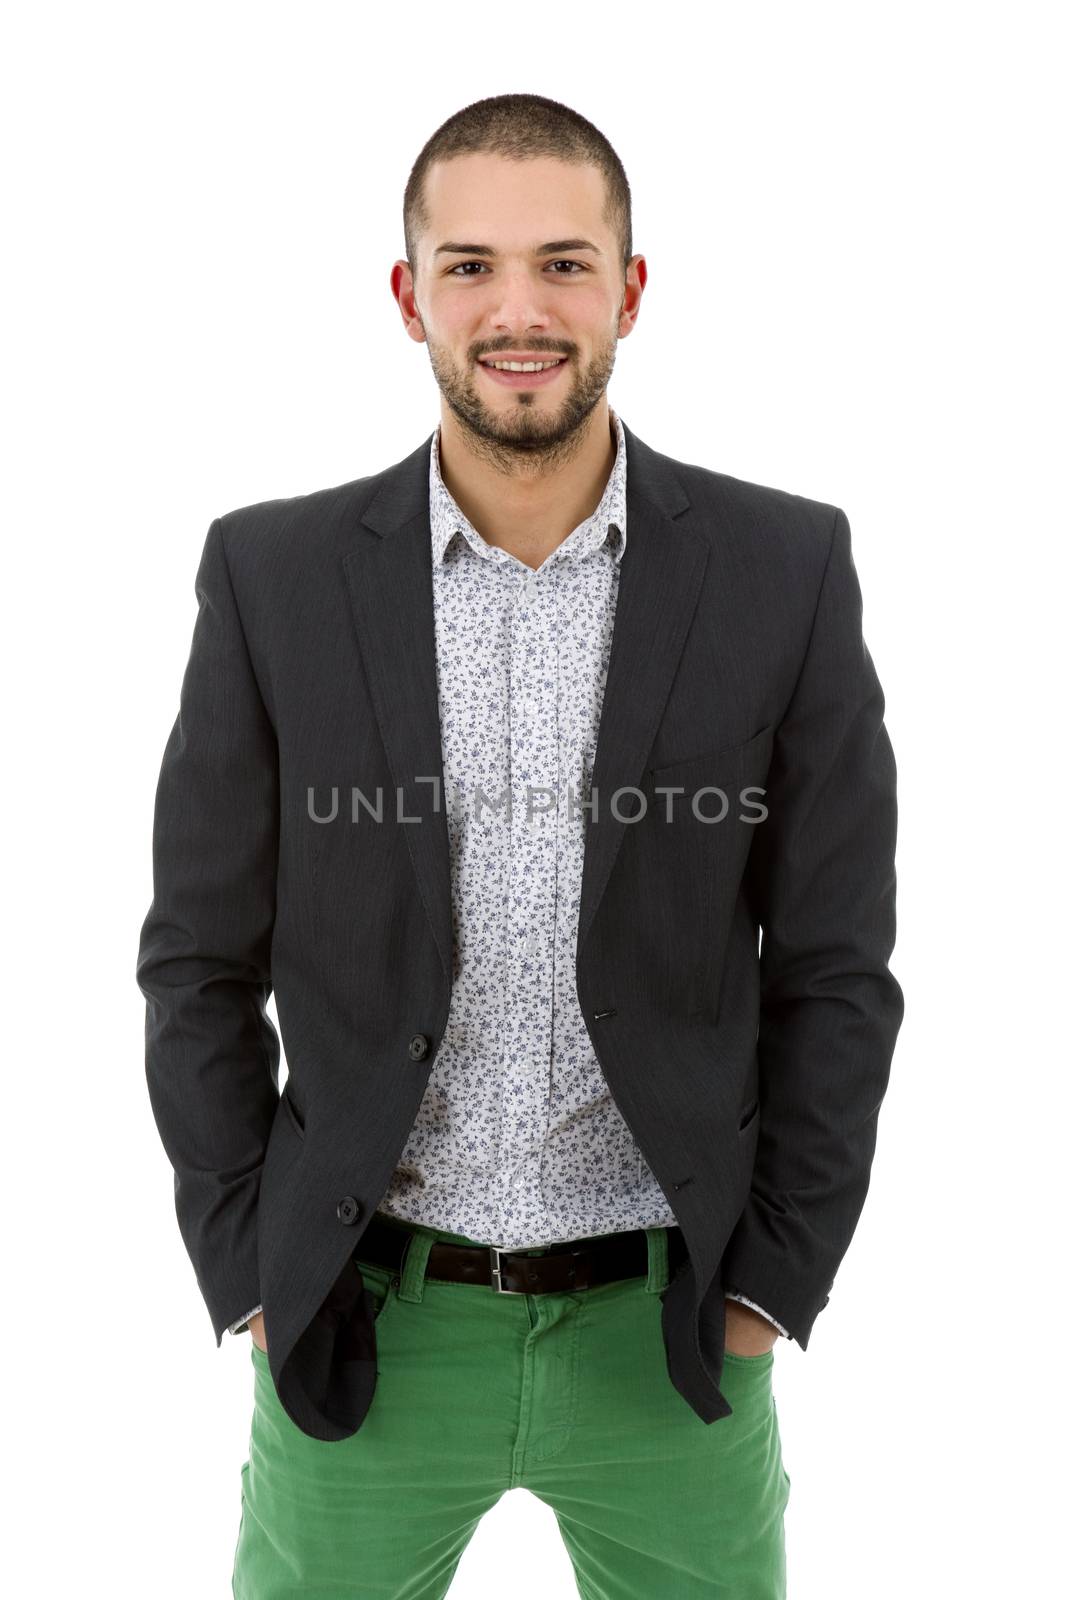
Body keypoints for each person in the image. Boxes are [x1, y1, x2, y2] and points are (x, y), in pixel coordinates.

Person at [137, 92, 904, 1600]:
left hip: (670, 1335)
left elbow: (836, 970)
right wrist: (250, 1272)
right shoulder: (274, 575)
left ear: (628, 289)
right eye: (471, 264)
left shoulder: (783, 567)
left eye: (563, 263)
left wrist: (771, 1284)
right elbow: (196, 962)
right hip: (364, 1327)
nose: (518, 310)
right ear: (410, 293)